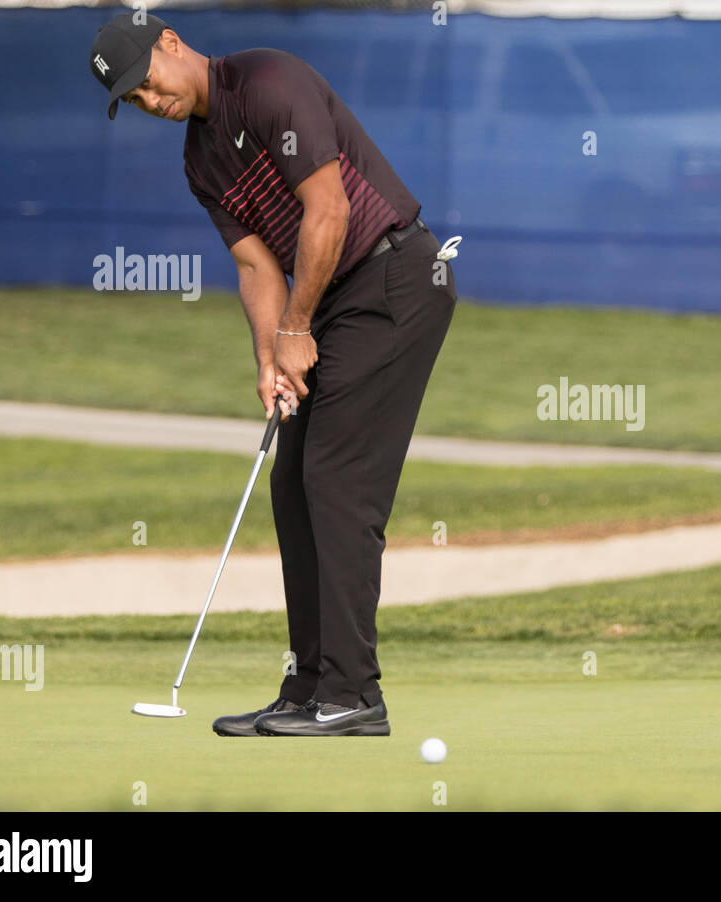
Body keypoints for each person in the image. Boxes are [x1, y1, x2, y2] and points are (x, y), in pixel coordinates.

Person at [89, 13, 459, 736]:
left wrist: (296, 328)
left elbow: (328, 211)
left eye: (146, 81)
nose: (148, 100)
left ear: (169, 42)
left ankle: (354, 695)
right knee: (292, 483)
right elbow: (257, 265)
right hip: (332, 301)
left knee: (337, 480)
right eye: (131, 99)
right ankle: (310, 684)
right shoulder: (200, 161)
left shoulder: (267, 81)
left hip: (394, 279)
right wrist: (270, 356)